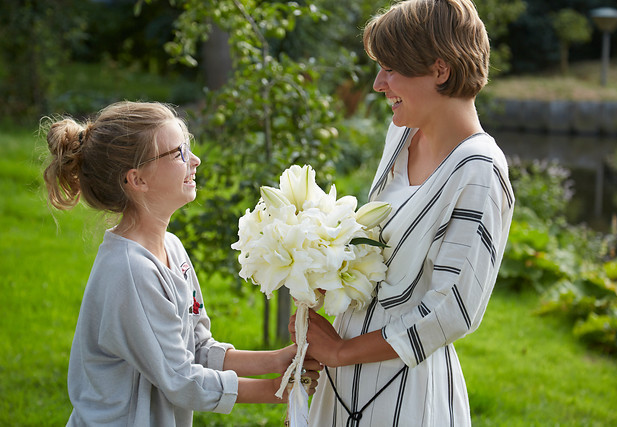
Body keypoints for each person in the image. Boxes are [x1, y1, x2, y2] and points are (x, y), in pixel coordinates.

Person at [291, 0, 515, 425]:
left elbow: (452, 310)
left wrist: (340, 351)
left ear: (440, 69)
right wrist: (321, 279)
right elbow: (378, 247)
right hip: (340, 381)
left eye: (390, 68)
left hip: (402, 393)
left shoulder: (480, 170)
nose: (378, 84)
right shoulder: (401, 133)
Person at [42, 101, 320, 426]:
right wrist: (275, 388)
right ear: (137, 179)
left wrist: (276, 359)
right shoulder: (132, 271)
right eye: (178, 153)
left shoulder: (171, 249)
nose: (195, 160)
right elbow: (182, 380)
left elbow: (198, 348)